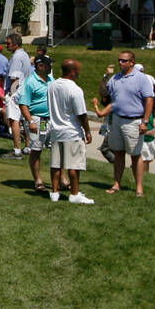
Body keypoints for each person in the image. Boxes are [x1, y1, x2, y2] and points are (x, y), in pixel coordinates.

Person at [95, 50, 155, 196]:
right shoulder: (115, 78)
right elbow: (104, 93)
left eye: (123, 60)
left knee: (135, 155)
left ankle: (139, 188)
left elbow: (149, 100)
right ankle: (117, 184)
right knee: (118, 153)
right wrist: (106, 75)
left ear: (132, 62)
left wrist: (145, 122)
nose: (120, 63)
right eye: (119, 60)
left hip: (134, 121)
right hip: (117, 119)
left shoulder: (141, 78)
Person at [47, 59, 95, 204]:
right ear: (73, 71)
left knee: (56, 163)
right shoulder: (75, 89)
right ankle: (74, 194)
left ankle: (54, 193)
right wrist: (87, 131)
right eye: (78, 70)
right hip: (71, 131)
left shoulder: (52, 85)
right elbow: (81, 114)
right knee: (74, 165)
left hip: (56, 130)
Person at [17, 54, 53, 192]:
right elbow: (23, 104)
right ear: (40, 66)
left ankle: (61, 178)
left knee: (56, 149)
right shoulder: (30, 82)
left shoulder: (50, 79)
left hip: (50, 119)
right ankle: (38, 180)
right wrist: (30, 121)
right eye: (48, 65)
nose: (51, 67)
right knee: (36, 150)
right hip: (37, 119)